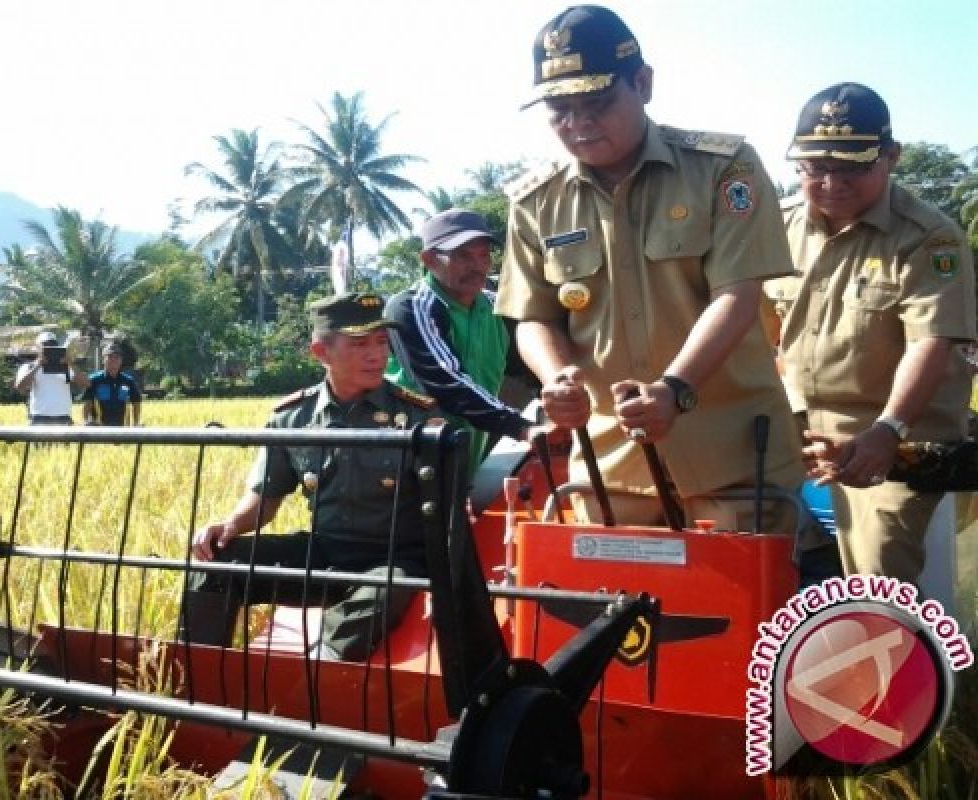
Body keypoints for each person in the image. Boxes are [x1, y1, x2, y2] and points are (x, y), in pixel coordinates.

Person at [494, 5, 804, 530]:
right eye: (559, 110)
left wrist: (675, 389)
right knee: (611, 609)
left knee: (738, 610)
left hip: (731, 455)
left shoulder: (724, 168)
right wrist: (556, 379)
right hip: (609, 463)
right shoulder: (536, 201)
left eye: (595, 102)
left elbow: (737, 293)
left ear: (643, 82)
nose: (578, 125)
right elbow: (535, 317)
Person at [765, 83, 976, 583]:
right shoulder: (778, 228)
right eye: (816, 167)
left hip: (896, 441)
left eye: (853, 166)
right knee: (742, 554)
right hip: (795, 432)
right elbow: (756, 331)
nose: (832, 182)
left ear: (891, 157)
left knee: (879, 580)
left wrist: (889, 429)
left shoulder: (928, 236)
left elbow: (931, 341)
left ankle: (897, 656)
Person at [185, 292, 440, 661]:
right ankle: (194, 682)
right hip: (323, 552)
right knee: (214, 567)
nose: (377, 354)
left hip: (394, 559)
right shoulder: (293, 417)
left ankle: (316, 682)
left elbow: (447, 508)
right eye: (360, 344)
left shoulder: (418, 418)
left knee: (384, 590)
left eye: (382, 342)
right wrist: (227, 527)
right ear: (321, 352)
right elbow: (265, 497)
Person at [385, 209, 540, 477]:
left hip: (470, 449)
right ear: (429, 260)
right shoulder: (411, 308)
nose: (478, 266)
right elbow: (444, 381)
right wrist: (520, 426)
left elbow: (530, 370)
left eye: (483, 255)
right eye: (463, 256)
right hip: (412, 454)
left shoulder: (497, 309)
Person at [13, 331, 89, 425]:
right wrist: (38, 365)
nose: (49, 348)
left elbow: (86, 383)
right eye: (45, 345)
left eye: (52, 345)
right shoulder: (29, 366)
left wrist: (70, 364)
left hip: (63, 416)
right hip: (39, 417)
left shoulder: (66, 367)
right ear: (38, 348)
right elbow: (20, 387)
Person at [82, 342, 142, 426]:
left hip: (123, 429)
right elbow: (87, 402)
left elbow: (136, 402)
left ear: (121, 360)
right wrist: (85, 421)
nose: (113, 360)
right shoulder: (94, 380)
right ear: (103, 360)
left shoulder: (128, 381)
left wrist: (136, 422)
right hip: (99, 430)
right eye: (110, 357)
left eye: (117, 357)